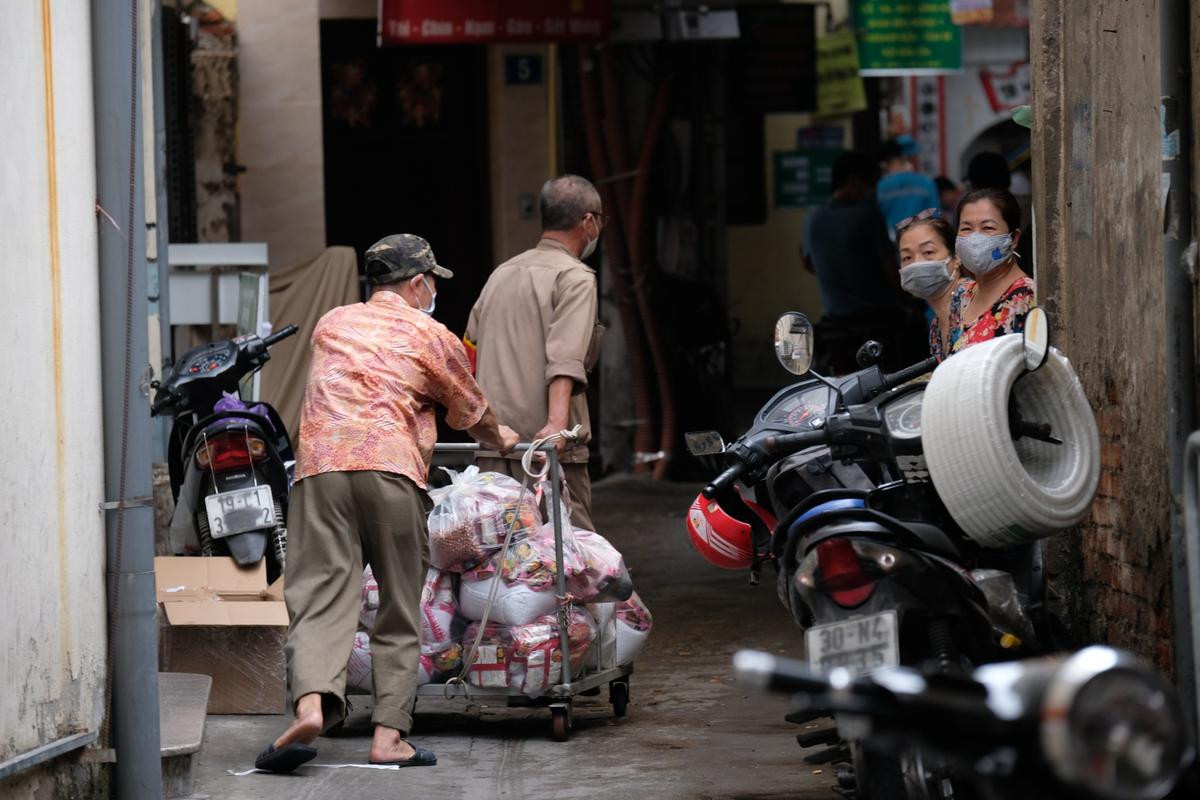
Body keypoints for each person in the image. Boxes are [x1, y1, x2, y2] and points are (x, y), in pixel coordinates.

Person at [256, 234, 518, 773]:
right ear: (419, 283)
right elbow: (469, 409)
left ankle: (310, 706)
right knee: (400, 605)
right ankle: (389, 735)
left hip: (319, 470)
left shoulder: (332, 323)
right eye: (431, 285)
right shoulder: (430, 333)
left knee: (320, 597)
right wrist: (503, 437)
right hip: (390, 468)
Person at [466, 175, 603, 532]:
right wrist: (557, 426)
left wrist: (483, 425)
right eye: (599, 219)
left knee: (503, 561)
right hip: (548, 453)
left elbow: (468, 351)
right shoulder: (575, 278)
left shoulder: (500, 274)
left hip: (495, 448)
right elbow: (566, 356)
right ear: (588, 221)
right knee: (575, 558)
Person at [803, 151, 925, 373]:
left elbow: (809, 265)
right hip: (877, 326)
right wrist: (912, 303)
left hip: (833, 327)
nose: (875, 192)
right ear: (854, 181)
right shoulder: (867, 215)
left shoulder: (813, 217)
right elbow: (892, 275)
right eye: (873, 184)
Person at [946, 188, 1036, 355]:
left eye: (987, 228)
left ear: (1013, 238)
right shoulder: (961, 295)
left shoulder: (1027, 298)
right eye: (966, 229)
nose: (974, 239)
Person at [895, 211, 962, 360]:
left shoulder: (974, 304)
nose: (917, 262)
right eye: (907, 257)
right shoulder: (935, 327)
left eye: (928, 252)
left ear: (956, 257)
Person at [876, 136, 942, 240]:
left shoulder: (881, 186)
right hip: (922, 242)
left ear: (883, 164)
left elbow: (877, 220)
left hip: (893, 244)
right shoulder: (927, 183)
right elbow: (935, 217)